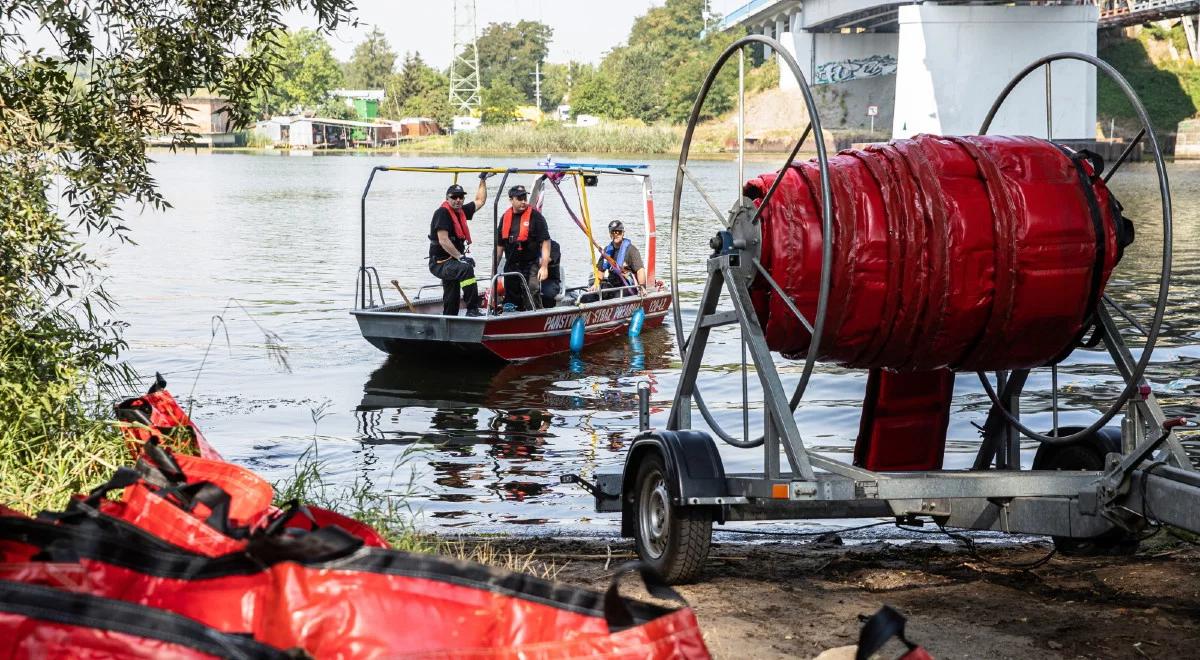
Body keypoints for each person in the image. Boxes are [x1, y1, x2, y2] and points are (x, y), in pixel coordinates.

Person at [428, 175, 488, 316]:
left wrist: (483, 180)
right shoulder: (442, 213)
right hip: (440, 263)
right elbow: (443, 240)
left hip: (452, 262)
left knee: (452, 294)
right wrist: (461, 257)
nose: (458, 200)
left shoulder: (461, 211)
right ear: (447, 198)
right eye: (454, 197)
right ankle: (472, 309)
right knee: (466, 269)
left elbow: (480, 200)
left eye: (461, 197)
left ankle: (449, 319)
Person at [496, 184, 551, 311]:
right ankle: (512, 318)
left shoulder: (536, 217)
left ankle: (536, 316)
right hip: (511, 264)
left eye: (524, 198)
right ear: (511, 200)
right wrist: (494, 266)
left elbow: (545, 242)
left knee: (532, 290)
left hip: (530, 264)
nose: (523, 201)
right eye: (519, 199)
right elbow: (499, 245)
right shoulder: (505, 217)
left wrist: (544, 267)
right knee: (511, 296)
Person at [593, 220, 645, 298]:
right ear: (610, 234)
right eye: (613, 232)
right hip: (612, 284)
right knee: (595, 294)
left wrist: (642, 287)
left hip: (626, 286)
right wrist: (596, 284)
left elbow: (640, 270)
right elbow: (601, 270)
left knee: (617, 296)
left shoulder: (631, 250)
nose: (616, 235)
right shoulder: (607, 250)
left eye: (619, 232)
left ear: (623, 233)